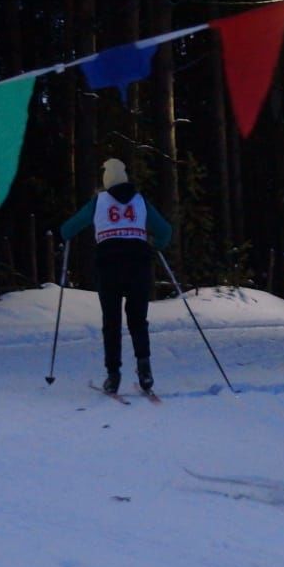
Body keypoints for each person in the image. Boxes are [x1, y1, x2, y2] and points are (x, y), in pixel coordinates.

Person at [60, 158, 172, 394]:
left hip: (109, 267)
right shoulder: (141, 201)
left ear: (106, 181)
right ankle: (145, 370)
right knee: (138, 320)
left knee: (111, 322)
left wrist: (66, 232)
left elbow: (69, 228)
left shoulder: (98, 202)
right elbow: (165, 231)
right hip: (139, 267)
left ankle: (113, 375)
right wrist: (155, 245)